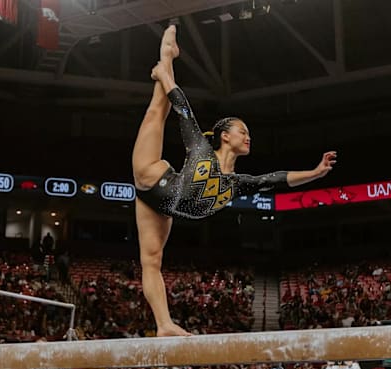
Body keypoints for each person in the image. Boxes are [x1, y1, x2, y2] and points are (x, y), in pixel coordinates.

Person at [132, 25, 337, 336]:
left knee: (152, 261)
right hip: (151, 176)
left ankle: (164, 325)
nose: (248, 136)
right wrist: (164, 77)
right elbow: (182, 110)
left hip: (165, 207)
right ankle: (167, 57)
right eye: (243, 131)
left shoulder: (238, 183)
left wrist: (315, 172)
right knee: (156, 111)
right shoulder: (202, 149)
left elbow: (277, 179)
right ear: (225, 136)